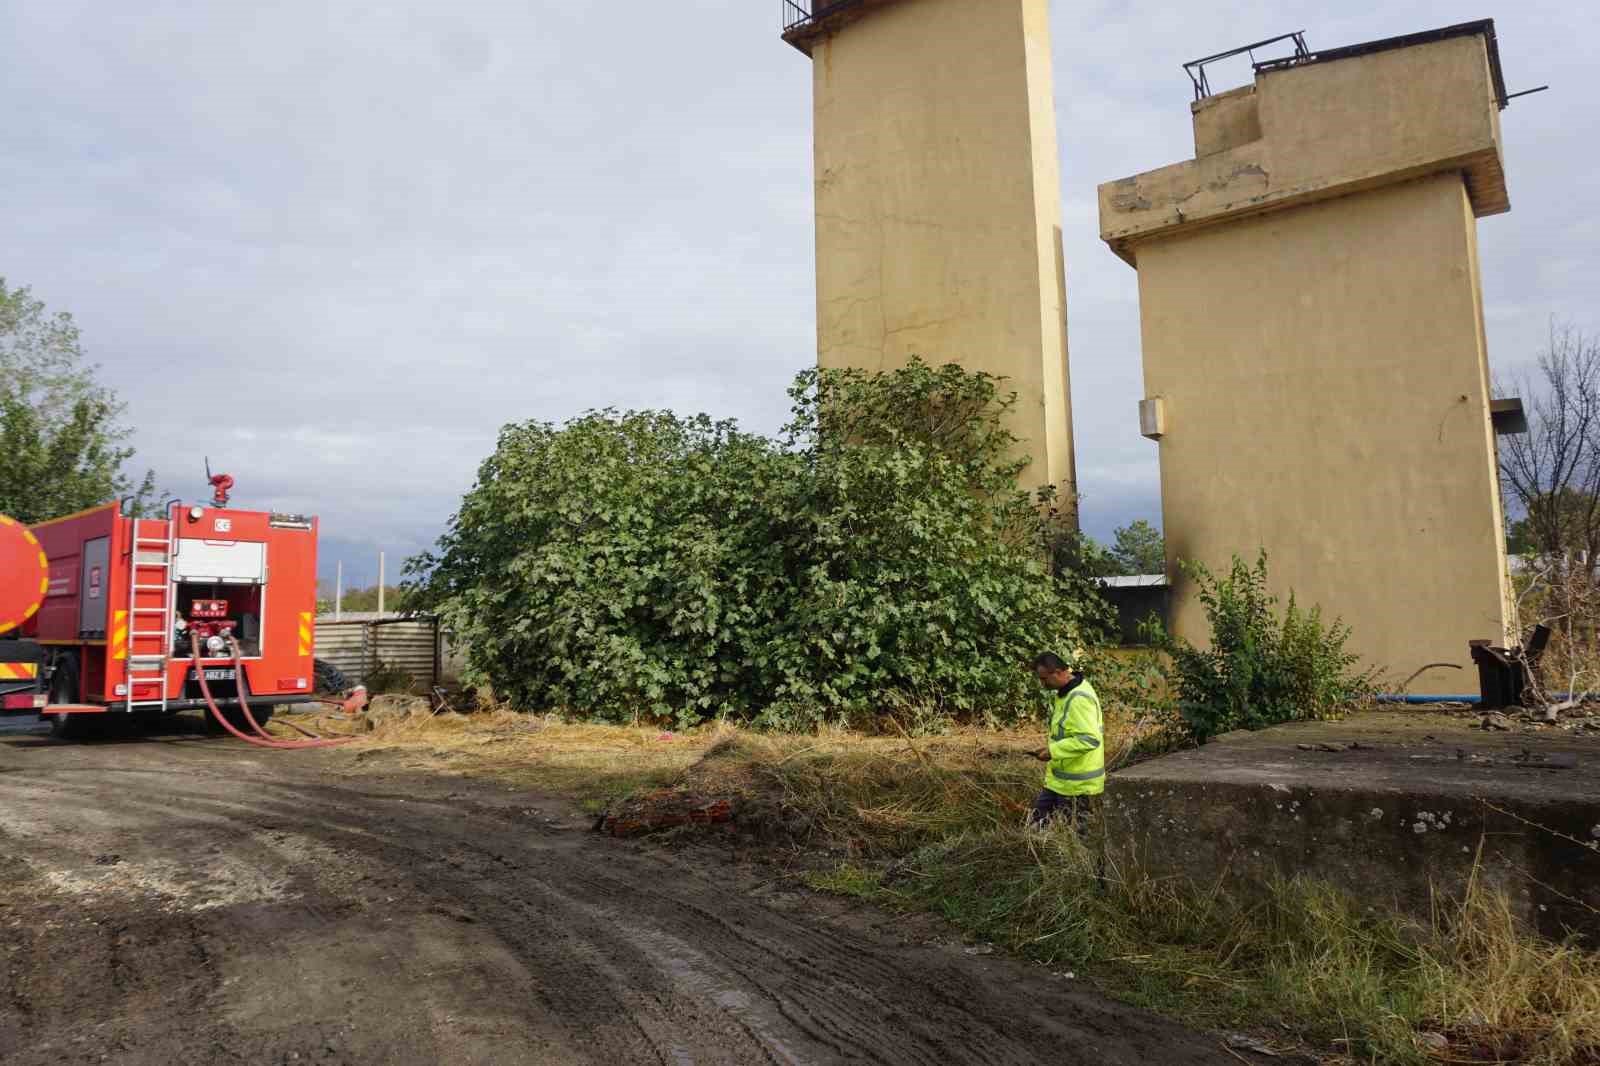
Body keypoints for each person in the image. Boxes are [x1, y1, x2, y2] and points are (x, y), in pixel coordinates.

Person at [1028, 651, 1104, 832]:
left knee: (1079, 838)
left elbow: (1089, 739)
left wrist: (1053, 751)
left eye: (1044, 678)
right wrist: (1049, 748)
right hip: (1059, 782)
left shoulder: (1078, 699)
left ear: (1059, 672)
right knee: (1036, 825)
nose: (1042, 683)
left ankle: (1085, 861)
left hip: (1078, 787)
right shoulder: (1065, 693)